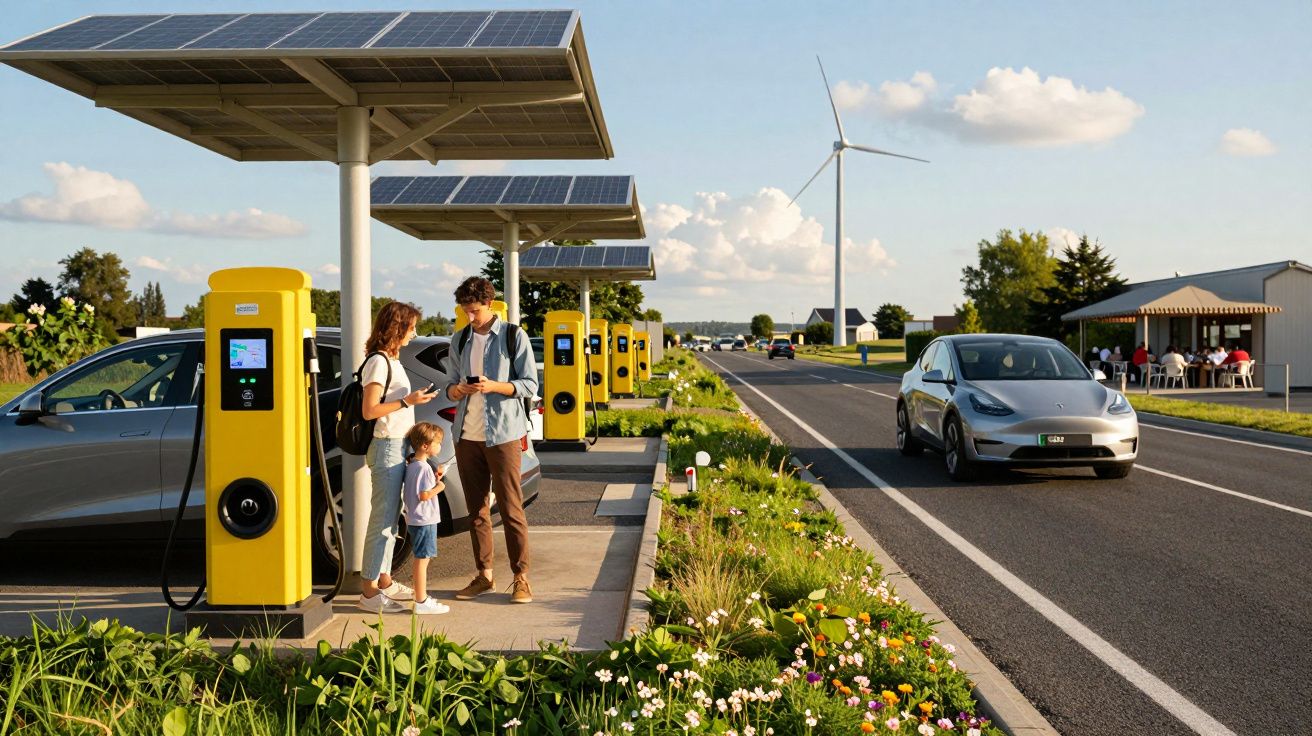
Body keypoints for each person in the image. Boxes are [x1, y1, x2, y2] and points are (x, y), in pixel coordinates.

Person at [444, 277, 539, 604]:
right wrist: (458, 390)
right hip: (466, 436)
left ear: (489, 303)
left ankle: (521, 578)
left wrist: (494, 386)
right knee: (476, 511)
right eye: (466, 311)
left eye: (475, 310)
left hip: (504, 435)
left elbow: (529, 385)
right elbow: (449, 386)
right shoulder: (459, 340)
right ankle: (484, 575)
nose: (471, 317)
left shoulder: (514, 336)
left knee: (512, 508)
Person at [357, 301, 436, 614]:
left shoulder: (391, 359)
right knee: (383, 521)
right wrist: (408, 401)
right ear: (396, 327)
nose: (414, 333)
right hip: (387, 445)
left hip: (397, 445)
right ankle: (368, 592)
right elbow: (369, 410)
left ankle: (385, 581)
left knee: (392, 519)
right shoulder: (378, 362)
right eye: (411, 327)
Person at [403, 422, 450, 615]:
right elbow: (424, 495)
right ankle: (420, 600)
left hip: (417, 519)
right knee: (423, 559)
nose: (439, 447)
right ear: (425, 445)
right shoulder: (423, 468)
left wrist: (435, 477)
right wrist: (440, 487)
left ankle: (421, 597)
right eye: (437, 443)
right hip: (425, 520)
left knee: (423, 557)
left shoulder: (414, 465)